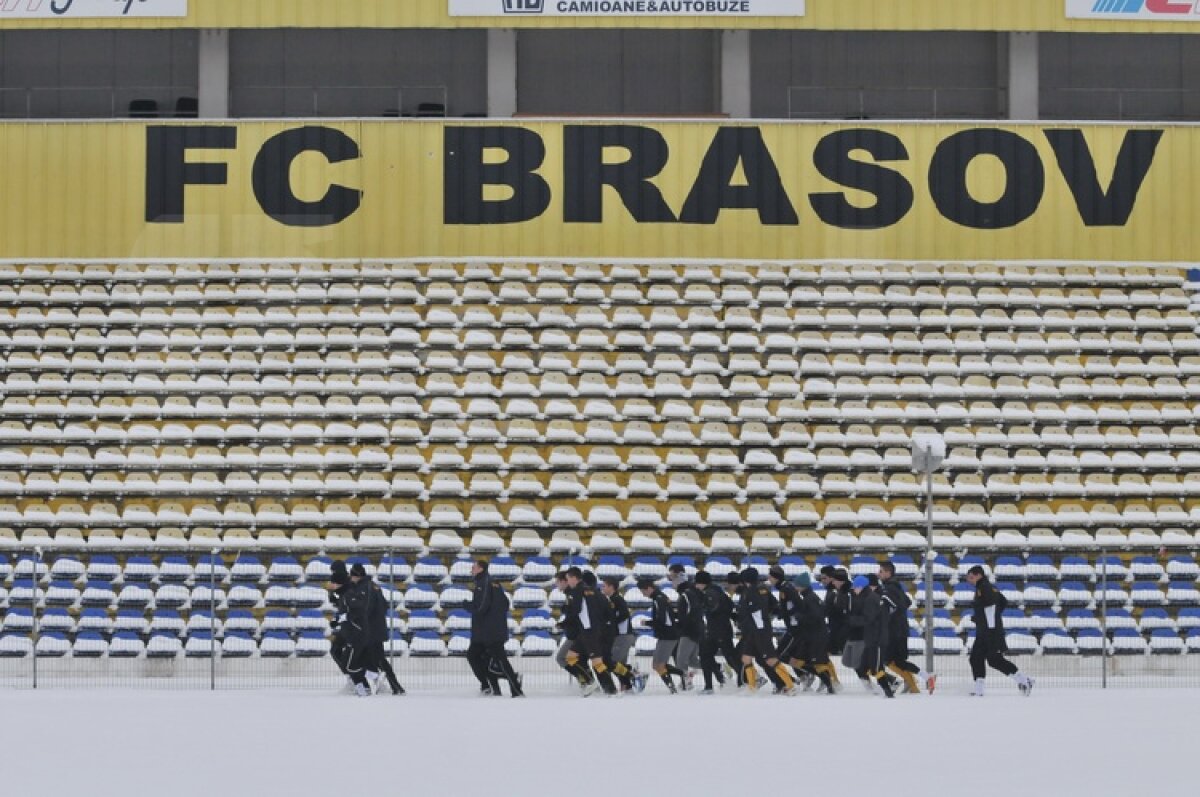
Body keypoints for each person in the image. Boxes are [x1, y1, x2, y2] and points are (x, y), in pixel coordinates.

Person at [966, 565, 1034, 697]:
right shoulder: (987, 587)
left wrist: (990, 618)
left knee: (994, 660)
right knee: (976, 658)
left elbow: (991, 601)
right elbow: (1002, 601)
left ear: (979, 575)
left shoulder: (984, 587)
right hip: (984, 631)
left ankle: (1024, 680)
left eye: (971, 576)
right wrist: (982, 617)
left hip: (991, 632)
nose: (969, 579)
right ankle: (979, 689)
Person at [770, 567, 838, 694]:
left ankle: (827, 684)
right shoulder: (806, 596)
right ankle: (814, 679)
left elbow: (815, 615)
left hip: (811, 634)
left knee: (811, 660)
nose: (795, 588)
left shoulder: (807, 597)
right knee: (801, 658)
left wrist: (799, 616)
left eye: (797, 585)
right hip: (810, 633)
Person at [467, 559, 524, 697]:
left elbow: (481, 608)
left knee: (500, 661)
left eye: (473, 567)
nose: (471, 570)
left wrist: (466, 605)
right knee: (477, 656)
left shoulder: (484, 583)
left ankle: (516, 689)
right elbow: (505, 603)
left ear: (480, 569)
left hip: (490, 632)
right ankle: (491, 687)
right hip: (487, 631)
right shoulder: (493, 582)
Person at [734, 568, 796, 694]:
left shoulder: (750, 592)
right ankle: (752, 688)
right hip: (754, 631)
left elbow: (755, 613)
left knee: (770, 660)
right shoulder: (763, 590)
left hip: (758, 631)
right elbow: (774, 606)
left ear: (745, 580)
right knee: (746, 658)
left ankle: (790, 686)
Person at [878, 560, 933, 694]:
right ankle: (919, 679)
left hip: (895, 631)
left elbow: (896, 606)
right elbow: (907, 602)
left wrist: (890, 617)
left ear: (888, 573)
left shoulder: (889, 588)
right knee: (895, 661)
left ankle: (926, 677)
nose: (878, 574)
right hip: (899, 630)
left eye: (881, 571)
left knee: (892, 660)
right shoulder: (895, 586)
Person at [352, 562, 405, 696]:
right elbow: (384, 605)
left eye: (352, 575)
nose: (350, 578)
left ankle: (393, 686)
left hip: (371, 630)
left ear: (357, 575)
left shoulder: (365, 588)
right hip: (376, 628)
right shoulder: (373, 586)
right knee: (374, 659)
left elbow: (366, 609)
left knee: (377, 659)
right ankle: (389, 685)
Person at [563, 567, 618, 695]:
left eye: (568, 579)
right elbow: (606, 609)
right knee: (570, 657)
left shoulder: (577, 591)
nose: (567, 582)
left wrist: (565, 616)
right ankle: (591, 682)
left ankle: (610, 690)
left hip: (589, 632)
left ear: (573, 578)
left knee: (597, 662)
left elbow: (575, 610)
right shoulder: (593, 590)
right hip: (590, 630)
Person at [638, 577, 688, 693]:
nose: (643, 594)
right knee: (657, 665)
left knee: (658, 665)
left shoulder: (659, 599)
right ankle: (681, 677)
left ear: (649, 588)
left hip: (668, 636)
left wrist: (648, 623)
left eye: (643, 591)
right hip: (666, 635)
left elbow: (663, 620)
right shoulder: (660, 597)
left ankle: (676, 685)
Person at [852, 575, 899, 698]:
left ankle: (888, 692)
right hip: (871, 639)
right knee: (864, 666)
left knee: (876, 668)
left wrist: (852, 620)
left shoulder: (870, 599)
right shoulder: (868, 597)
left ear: (861, 587)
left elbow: (868, 619)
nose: (853, 590)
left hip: (876, 640)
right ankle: (890, 686)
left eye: (855, 588)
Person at [695, 571, 739, 692]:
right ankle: (711, 685)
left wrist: (703, 606)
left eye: (697, 583)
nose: (696, 586)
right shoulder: (718, 591)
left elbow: (713, 608)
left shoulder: (710, 593)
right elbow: (730, 606)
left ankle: (745, 679)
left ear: (701, 583)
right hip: (718, 630)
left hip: (718, 630)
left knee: (729, 657)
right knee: (706, 655)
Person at [553, 570, 595, 691]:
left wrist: (565, 618)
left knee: (562, 658)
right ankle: (587, 682)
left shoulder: (574, 593)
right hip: (579, 632)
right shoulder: (572, 593)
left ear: (565, 581)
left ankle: (587, 681)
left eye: (558, 581)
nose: (557, 585)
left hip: (577, 634)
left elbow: (575, 613)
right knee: (581, 661)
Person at [601, 576, 642, 692]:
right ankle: (627, 685)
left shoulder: (617, 599)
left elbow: (624, 614)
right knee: (619, 664)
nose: (602, 588)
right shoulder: (613, 599)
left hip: (623, 636)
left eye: (604, 586)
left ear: (611, 587)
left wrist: (611, 623)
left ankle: (633, 674)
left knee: (612, 662)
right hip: (621, 636)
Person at [668, 563, 704, 690]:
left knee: (681, 659)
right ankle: (718, 668)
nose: (671, 580)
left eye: (672, 576)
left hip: (690, 630)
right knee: (693, 660)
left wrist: (681, 622)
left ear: (679, 576)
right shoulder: (686, 591)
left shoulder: (687, 592)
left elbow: (692, 611)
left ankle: (686, 682)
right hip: (693, 628)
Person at [327, 560, 353, 688]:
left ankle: (353, 677)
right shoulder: (343, 586)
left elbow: (348, 607)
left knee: (337, 650)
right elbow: (341, 606)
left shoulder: (347, 586)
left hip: (352, 627)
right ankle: (351, 677)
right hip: (346, 625)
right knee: (336, 650)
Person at [820, 566, 852, 656]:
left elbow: (843, 614)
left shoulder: (843, 594)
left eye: (824, 578)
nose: (822, 581)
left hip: (842, 633)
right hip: (836, 631)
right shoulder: (836, 592)